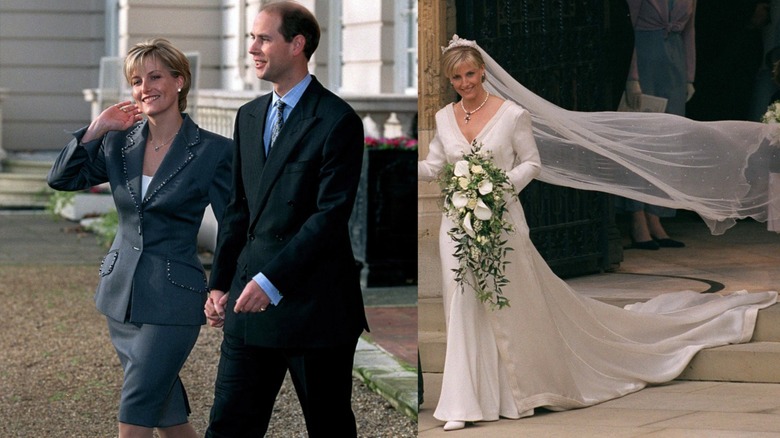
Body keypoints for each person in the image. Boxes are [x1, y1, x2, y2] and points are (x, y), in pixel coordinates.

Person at [418, 35, 778, 432]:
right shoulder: (443, 117)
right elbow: (435, 165)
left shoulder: (512, 114)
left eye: (471, 74)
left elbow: (531, 163)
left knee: (508, 305)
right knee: (463, 305)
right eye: (457, 77)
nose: (465, 83)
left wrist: (500, 186)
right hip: (457, 227)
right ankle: (464, 401)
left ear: (483, 71)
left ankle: (517, 391)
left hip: (503, 222)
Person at [47, 38, 232, 438]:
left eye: (155, 77)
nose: (144, 87)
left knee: (135, 410)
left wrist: (222, 284)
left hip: (174, 300)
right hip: (120, 295)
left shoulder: (214, 151)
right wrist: (97, 127)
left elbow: (236, 223)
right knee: (167, 416)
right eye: (136, 80)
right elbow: (62, 178)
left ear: (180, 81)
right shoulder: (119, 143)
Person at [202, 2, 368, 437]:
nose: (252, 48)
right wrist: (220, 282)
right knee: (228, 427)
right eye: (250, 38)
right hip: (247, 303)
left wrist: (270, 282)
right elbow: (238, 210)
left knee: (329, 428)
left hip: (315, 309)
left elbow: (328, 218)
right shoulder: (249, 115)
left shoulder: (338, 122)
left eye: (263, 38)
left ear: (297, 45)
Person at [619, 0, 697, 250]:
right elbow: (629, 30)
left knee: (666, 144)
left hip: (673, 64)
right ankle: (637, 215)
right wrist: (632, 77)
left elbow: (689, 31)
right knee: (641, 143)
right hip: (644, 58)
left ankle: (656, 215)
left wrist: (689, 76)